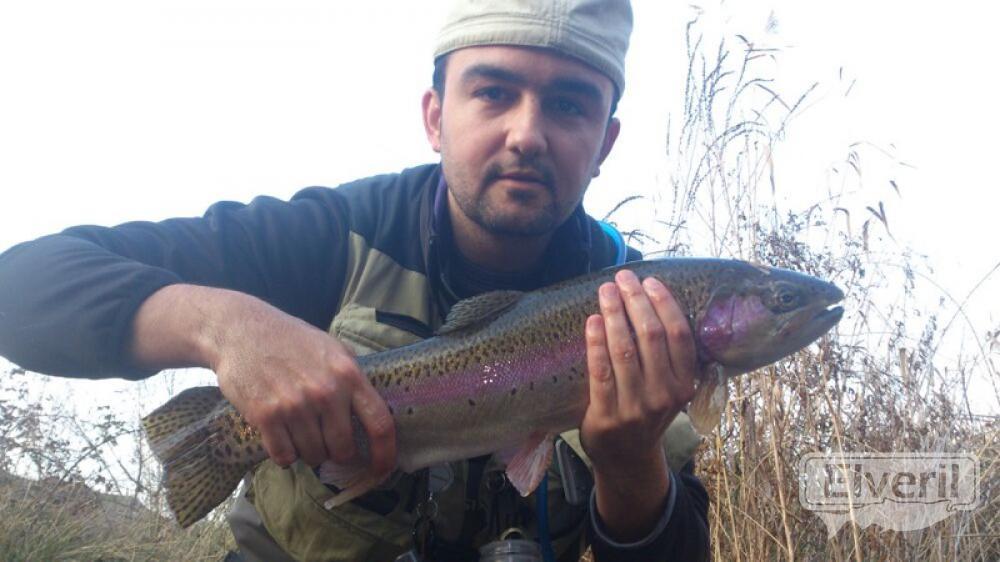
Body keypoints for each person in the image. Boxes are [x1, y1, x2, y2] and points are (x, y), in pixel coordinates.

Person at [0, 1, 710, 560]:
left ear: (605, 142)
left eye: (569, 105)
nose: (527, 134)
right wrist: (224, 327)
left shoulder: (642, 310)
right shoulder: (334, 235)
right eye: (494, 93)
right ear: (436, 117)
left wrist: (630, 465)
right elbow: (21, 288)